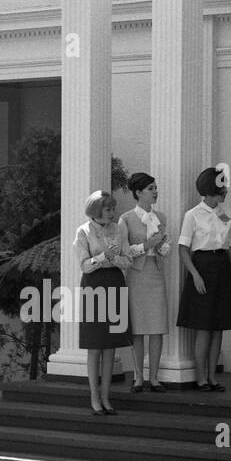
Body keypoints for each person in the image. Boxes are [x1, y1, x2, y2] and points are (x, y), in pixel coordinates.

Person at [177, 167, 231, 391]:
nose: (226, 192)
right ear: (213, 189)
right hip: (202, 267)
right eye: (222, 187)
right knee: (203, 326)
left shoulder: (225, 214)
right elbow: (183, 249)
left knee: (219, 325)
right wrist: (194, 275)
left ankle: (213, 376)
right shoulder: (193, 215)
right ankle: (201, 377)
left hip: (222, 267)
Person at [75, 190, 133, 414]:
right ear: (97, 210)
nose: (112, 212)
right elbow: (85, 265)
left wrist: (113, 258)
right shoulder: (83, 231)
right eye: (108, 209)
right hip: (93, 285)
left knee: (110, 346)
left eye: (112, 208)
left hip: (115, 283)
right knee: (94, 345)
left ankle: (107, 398)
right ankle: (94, 397)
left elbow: (127, 261)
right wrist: (103, 257)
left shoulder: (118, 229)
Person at [119, 173, 171, 392]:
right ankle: (139, 376)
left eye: (156, 187)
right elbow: (124, 252)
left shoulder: (161, 217)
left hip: (156, 274)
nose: (155, 191)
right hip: (136, 275)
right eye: (151, 188)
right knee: (138, 329)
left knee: (157, 327)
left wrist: (161, 245)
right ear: (138, 192)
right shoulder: (126, 218)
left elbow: (165, 249)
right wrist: (149, 243)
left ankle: (155, 377)